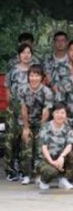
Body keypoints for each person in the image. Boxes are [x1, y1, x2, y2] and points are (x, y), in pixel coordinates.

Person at [17, 64, 53, 185]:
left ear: (42, 77)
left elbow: (46, 111)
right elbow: (23, 109)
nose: (34, 78)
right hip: (26, 121)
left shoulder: (46, 91)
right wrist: (26, 127)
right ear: (28, 77)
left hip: (41, 122)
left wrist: (41, 129)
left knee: (39, 147)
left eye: (37, 75)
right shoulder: (22, 89)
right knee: (26, 145)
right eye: (31, 75)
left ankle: (38, 174)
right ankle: (27, 174)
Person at [3, 43, 33, 180]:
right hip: (13, 108)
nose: (26, 55)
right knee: (10, 138)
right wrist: (10, 103)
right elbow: (7, 87)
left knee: (24, 138)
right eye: (23, 53)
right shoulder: (13, 70)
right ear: (19, 55)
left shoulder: (33, 70)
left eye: (28, 53)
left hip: (28, 108)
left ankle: (22, 168)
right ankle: (10, 170)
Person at [38, 103, 73, 190]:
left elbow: (69, 145)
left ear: (66, 115)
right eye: (57, 113)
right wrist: (52, 162)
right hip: (47, 159)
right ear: (53, 114)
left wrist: (62, 157)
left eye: (62, 113)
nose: (60, 115)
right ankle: (43, 181)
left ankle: (64, 179)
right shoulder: (46, 127)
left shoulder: (68, 129)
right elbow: (44, 147)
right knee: (51, 171)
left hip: (60, 158)